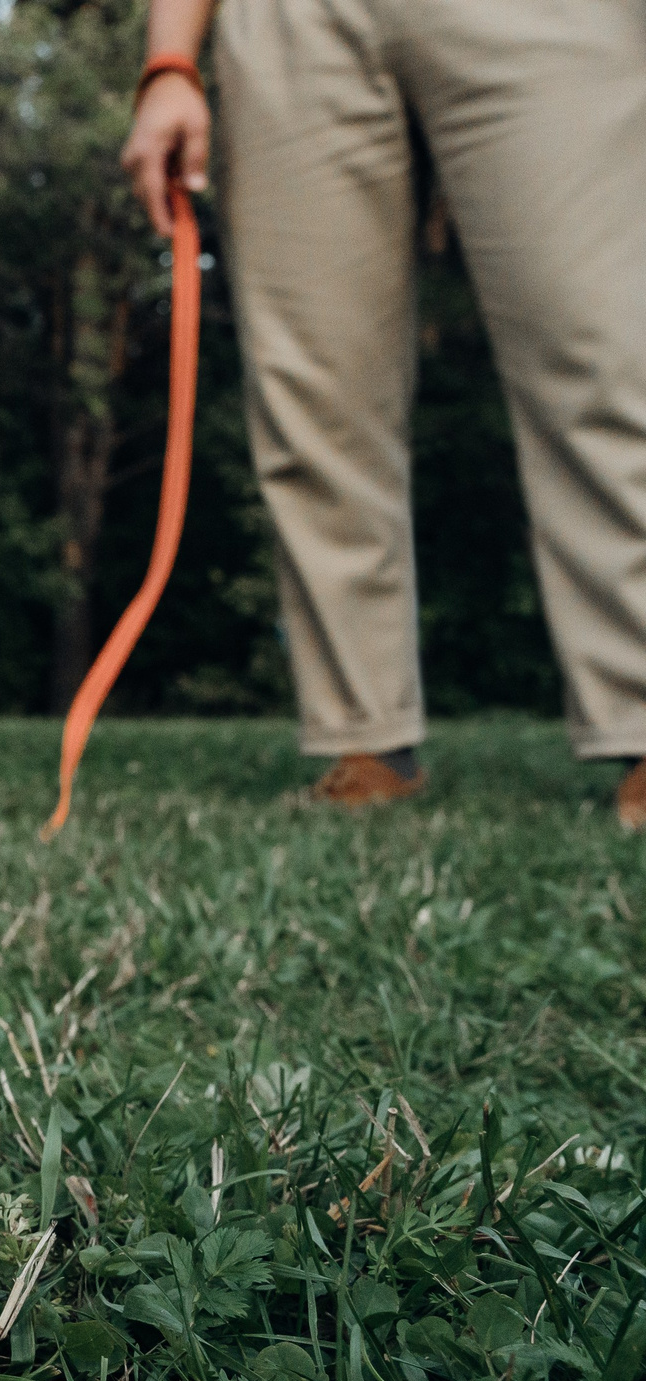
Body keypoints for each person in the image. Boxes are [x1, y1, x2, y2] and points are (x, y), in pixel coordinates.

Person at [120, 0, 646, 822]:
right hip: (294, 23)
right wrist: (169, 62)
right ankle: (363, 738)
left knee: (605, 353)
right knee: (314, 385)